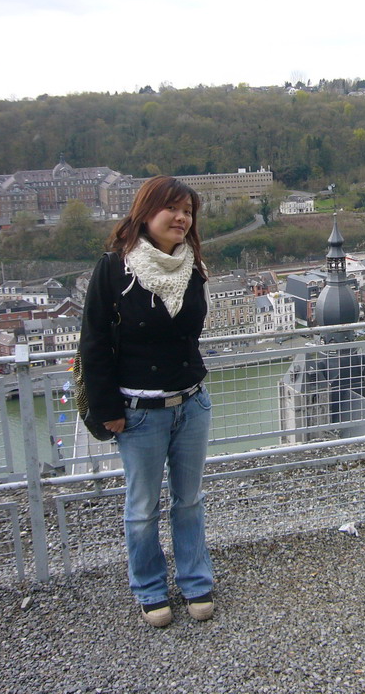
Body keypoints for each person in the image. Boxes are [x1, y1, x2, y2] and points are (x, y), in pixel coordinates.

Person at [80, 175, 214, 627]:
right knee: (142, 508)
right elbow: (93, 343)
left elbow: (188, 335)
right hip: (139, 412)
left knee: (189, 500)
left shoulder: (194, 266)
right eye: (172, 209)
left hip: (191, 402)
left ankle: (196, 581)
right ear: (146, 211)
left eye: (188, 211)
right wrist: (107, 411)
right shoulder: (114, 269)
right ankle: (151, 588)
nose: (182, 218)